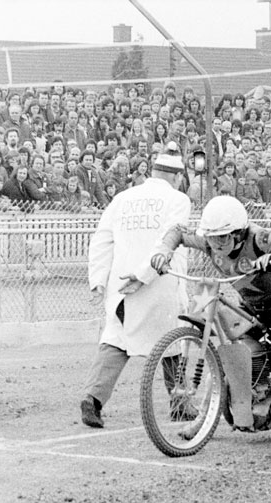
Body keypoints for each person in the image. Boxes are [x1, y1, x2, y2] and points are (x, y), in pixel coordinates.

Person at [148, 196, 271, 452]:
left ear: (239, 233)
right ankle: (203, 420)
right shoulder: (208, 241)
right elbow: (178, 231)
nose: (216, 244)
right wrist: (163, 251)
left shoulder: (258, 238)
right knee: (227, 356)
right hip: (250, 304)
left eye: (223, 238)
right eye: (212, 238)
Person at [80, 152, 192, 429]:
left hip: (120, 286)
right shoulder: (178, 200)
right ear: (177, 177)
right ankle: (180, 404)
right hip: (159, 283)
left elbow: (101, 241)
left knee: (116, 341)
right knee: (172, 342)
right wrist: (143, 276)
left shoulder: (122, 198)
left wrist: (98, 281)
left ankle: (93, 399)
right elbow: (168, 242)